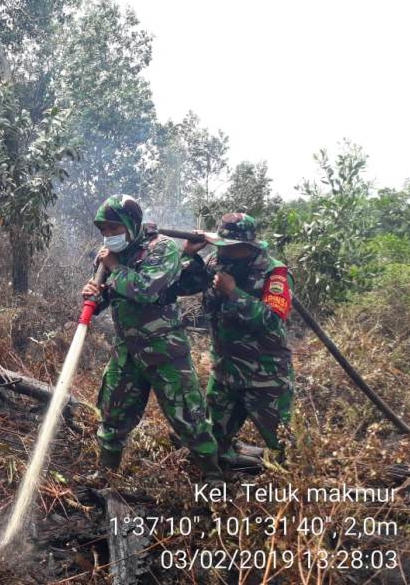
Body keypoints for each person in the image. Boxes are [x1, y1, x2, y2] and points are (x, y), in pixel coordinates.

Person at [81, 194, 222, 481]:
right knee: (113, 415)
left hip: (164, 349)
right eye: (104, 230)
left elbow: (146, 290)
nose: (108, 235)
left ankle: (213, 477)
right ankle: (106, 476)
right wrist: (94, 295)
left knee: (188, 416)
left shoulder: (162, 249)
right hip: (127, 351)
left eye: (114, 228)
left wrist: (115, 267)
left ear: (131, 224)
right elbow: (107, 298)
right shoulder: (108, 256)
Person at [177, 212, 295, 466]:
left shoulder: (274, 273)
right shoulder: (216, 262)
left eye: (230, 247)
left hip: (265, 377)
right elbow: (183, 287)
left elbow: (273, 322)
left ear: (248, 246)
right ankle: (231, 473)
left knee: (286, 449)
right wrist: (189, 255)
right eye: (221, 245)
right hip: (225, 373)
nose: (224, 252)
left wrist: (233, 292)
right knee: (213, 443)